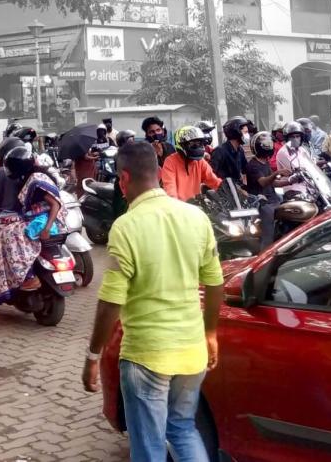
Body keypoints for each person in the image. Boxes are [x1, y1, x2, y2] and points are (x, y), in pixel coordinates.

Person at [82, 141, 224, 462]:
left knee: (148, 447)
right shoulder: (195, 217)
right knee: (183, 429)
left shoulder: (126, 227)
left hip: (147, 356)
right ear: (160, 173)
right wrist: (211, 334)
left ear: (122, 179)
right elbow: (215, 283)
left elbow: (110, 302)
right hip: (192, 352)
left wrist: (93, 355)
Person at [0, 145, 65, 325]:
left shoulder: (6, 173)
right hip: (31, 221)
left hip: (21, 222)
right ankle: (24, 278)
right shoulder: (38, 173)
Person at [244, 133, 291, 248]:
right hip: (262, 203)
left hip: (273, 198)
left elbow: (273, 183)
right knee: (268, 235)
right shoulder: (253, 165)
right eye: (266, 144)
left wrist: (291, 180)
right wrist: (277, 173)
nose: (269, 146)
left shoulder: (266, 162)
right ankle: (266, 252)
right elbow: (263, 182)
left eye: (270, 143)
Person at [161, 126, 222, 201]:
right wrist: (175, 204)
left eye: (199, 143)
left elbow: (214, 181)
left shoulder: (200, 162)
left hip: (197, 206)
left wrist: (228, 190)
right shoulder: (170, 162)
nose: (198, 146)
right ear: (182, 144)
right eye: (193, 144)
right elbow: (170, 188)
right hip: (179, 208)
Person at [275, 121, 315, 194]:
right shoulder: (283, 152)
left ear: (301, 137)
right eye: (292, 137)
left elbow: (311, 165)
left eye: (297, 136)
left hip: (308, 186)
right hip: (293, 189)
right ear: (287, 138)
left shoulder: (302, 150)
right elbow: (297, 169)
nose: (295, 139)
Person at [209, 116, 250, 184]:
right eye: (245, 132)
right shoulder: (220, 151)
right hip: (224, 190)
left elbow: (246, 169)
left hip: (236, 188)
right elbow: (211, 174)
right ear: (236, 132)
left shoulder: (240, 150)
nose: (247, 135)